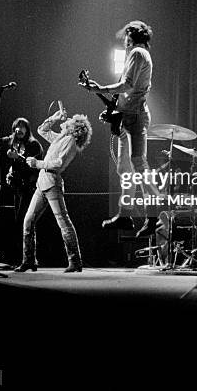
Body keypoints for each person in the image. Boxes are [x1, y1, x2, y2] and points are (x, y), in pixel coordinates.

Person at [79, 20, 156, 237]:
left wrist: (100, 88)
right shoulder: (138, 55)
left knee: (138, 163)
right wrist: (112, 109)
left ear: (131, 36)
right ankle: (125, 216)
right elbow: (126, 92)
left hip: (136, 117)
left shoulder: (138, 53)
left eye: (125, 36)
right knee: (125, 168)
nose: (123, 40)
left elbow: (128, 85)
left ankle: (154, 213)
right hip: (127, 117)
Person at [14, 109, 92, 273]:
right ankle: (29, 261)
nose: (67, 119)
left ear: (75, 128)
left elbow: (58, 163)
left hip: (52, 184)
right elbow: (42, 130)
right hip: (42, 184)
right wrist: (55, 117)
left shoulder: (70, 141)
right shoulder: (61, 138)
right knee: (28, 220)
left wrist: (37, 163)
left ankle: (75, 261)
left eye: (70, 120)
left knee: (63, 222)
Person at [0, 118, 44, 263]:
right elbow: (16, 166)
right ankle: (24, 258)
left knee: (25, 221)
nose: (19, 130)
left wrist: (18, 157)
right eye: (17, 127)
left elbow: (33, 165)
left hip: (31, 188)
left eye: (22, 127)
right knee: (21, 222)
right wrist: (11, 172)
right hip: (19, 188)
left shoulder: (33, 144)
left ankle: (28, 258)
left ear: (27, 129)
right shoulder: (16, 143)